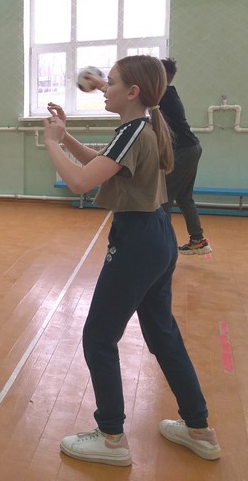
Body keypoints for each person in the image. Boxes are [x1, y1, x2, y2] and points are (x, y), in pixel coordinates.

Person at [43, 55, 220, 467]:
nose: (104, 88)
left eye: (112, 82)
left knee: (98, 337)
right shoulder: (143, 126)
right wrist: (66, 138)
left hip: (137, 240)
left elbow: (80, 182)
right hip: (157, 235)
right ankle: (199, 429)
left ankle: (110, 438)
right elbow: (101, 162)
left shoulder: (133, 130)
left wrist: (50, 143)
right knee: (163, 334)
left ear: (133, 91)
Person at [159, 58, 211, 255]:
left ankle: (162, 247)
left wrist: (102, 85)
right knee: (183, 197)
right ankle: (198, 240)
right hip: (190, 148)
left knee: (163, 198)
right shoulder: (166, 94)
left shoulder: (163, 94)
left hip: (183, 150)